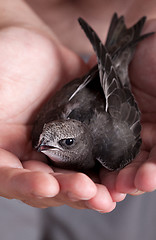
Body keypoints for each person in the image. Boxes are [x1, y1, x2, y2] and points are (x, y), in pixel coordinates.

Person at [0, 0, 155, 214]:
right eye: (46, 137)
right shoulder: (42, 136)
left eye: (67, 142)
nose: (41, 145)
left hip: (110, 78)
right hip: (94, 69)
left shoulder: (112, 149)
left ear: (79, 143)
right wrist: (10, 20)